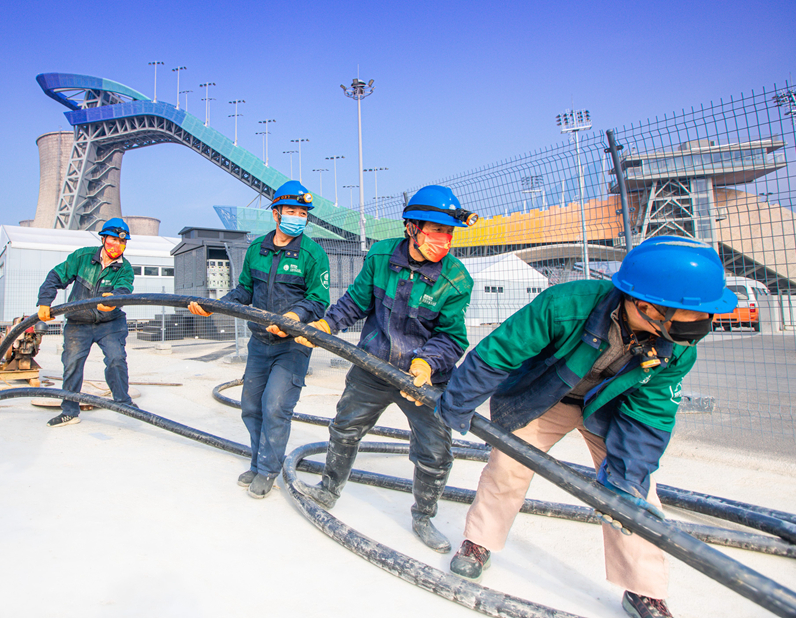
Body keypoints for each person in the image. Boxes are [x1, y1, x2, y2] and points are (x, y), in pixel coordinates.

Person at [437, 236, 736, 618]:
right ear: (646, 305)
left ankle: (643, 589)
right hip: (546, 398)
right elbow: (498, 353)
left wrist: (625, 481)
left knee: (636, 498)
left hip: (613, 410)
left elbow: (651, 416)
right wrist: (457, 402)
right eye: (686, 321)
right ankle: (478, 542)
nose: (693, 333)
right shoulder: (566, 304)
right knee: (508, 466)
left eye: (702, 321)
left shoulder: (677, 348)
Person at [294, 185, 475, 553]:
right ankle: (328, 490)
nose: (444, 240)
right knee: (345, 428)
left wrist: (425, 363)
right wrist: (327, 326)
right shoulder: (379, 256)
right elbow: (356, 301)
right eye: (436, 231)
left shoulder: (455, 279)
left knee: (435, 451)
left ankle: (424, 516)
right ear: (411, 227)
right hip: (373, 366)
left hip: (423, 379)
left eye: (448, 232)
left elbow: (453, 338)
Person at [189, 180, 330, 499]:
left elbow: (318, 299)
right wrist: (216, 305)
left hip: (292, 346)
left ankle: (268, 469)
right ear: (276, 214)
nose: (298, 217)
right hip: (259, 343)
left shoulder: (312, 254)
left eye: (303, 213)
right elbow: (244, 291)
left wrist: (294, 317)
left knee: (275, 405)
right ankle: (258, 461)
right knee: (251, 406)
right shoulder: (257, 249)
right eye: (292, 211)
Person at [37, 218, 136, 427]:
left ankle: (124, 404)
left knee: (116, 359)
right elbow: (55, 276)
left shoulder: (124, 268)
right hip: (78, 323)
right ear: (103, 239)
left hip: (110, 323)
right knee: (72, 363)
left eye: (122, 242)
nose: (116, 246)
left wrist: (113, 300)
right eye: (112, 241)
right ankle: (70, 411)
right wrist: (45, 302)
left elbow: (125, 290)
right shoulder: (82, 257)